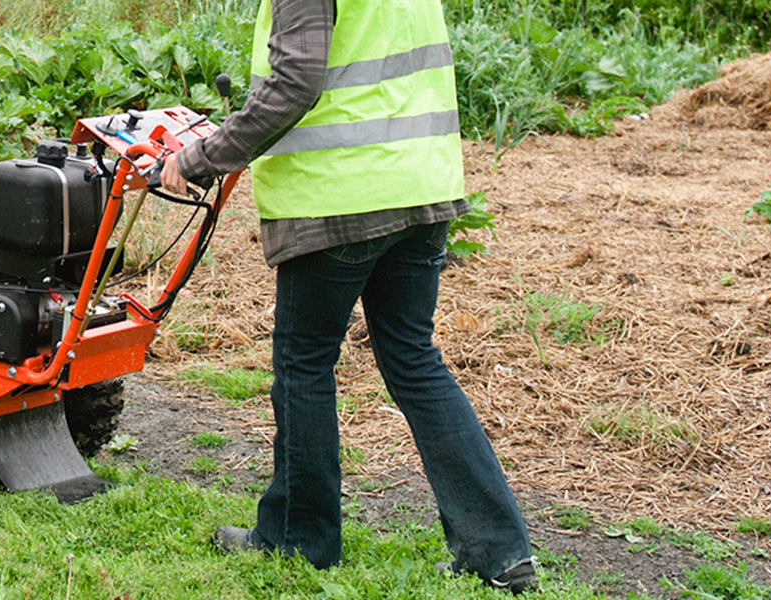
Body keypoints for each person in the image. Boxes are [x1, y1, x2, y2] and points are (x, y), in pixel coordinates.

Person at [159, 0, 538, 592]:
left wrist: (202, 156)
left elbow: (294, 83)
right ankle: (499, 550)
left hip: (341, 194)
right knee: (414, 361)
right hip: (420, 184)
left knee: (304, 362)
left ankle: (299, 541)